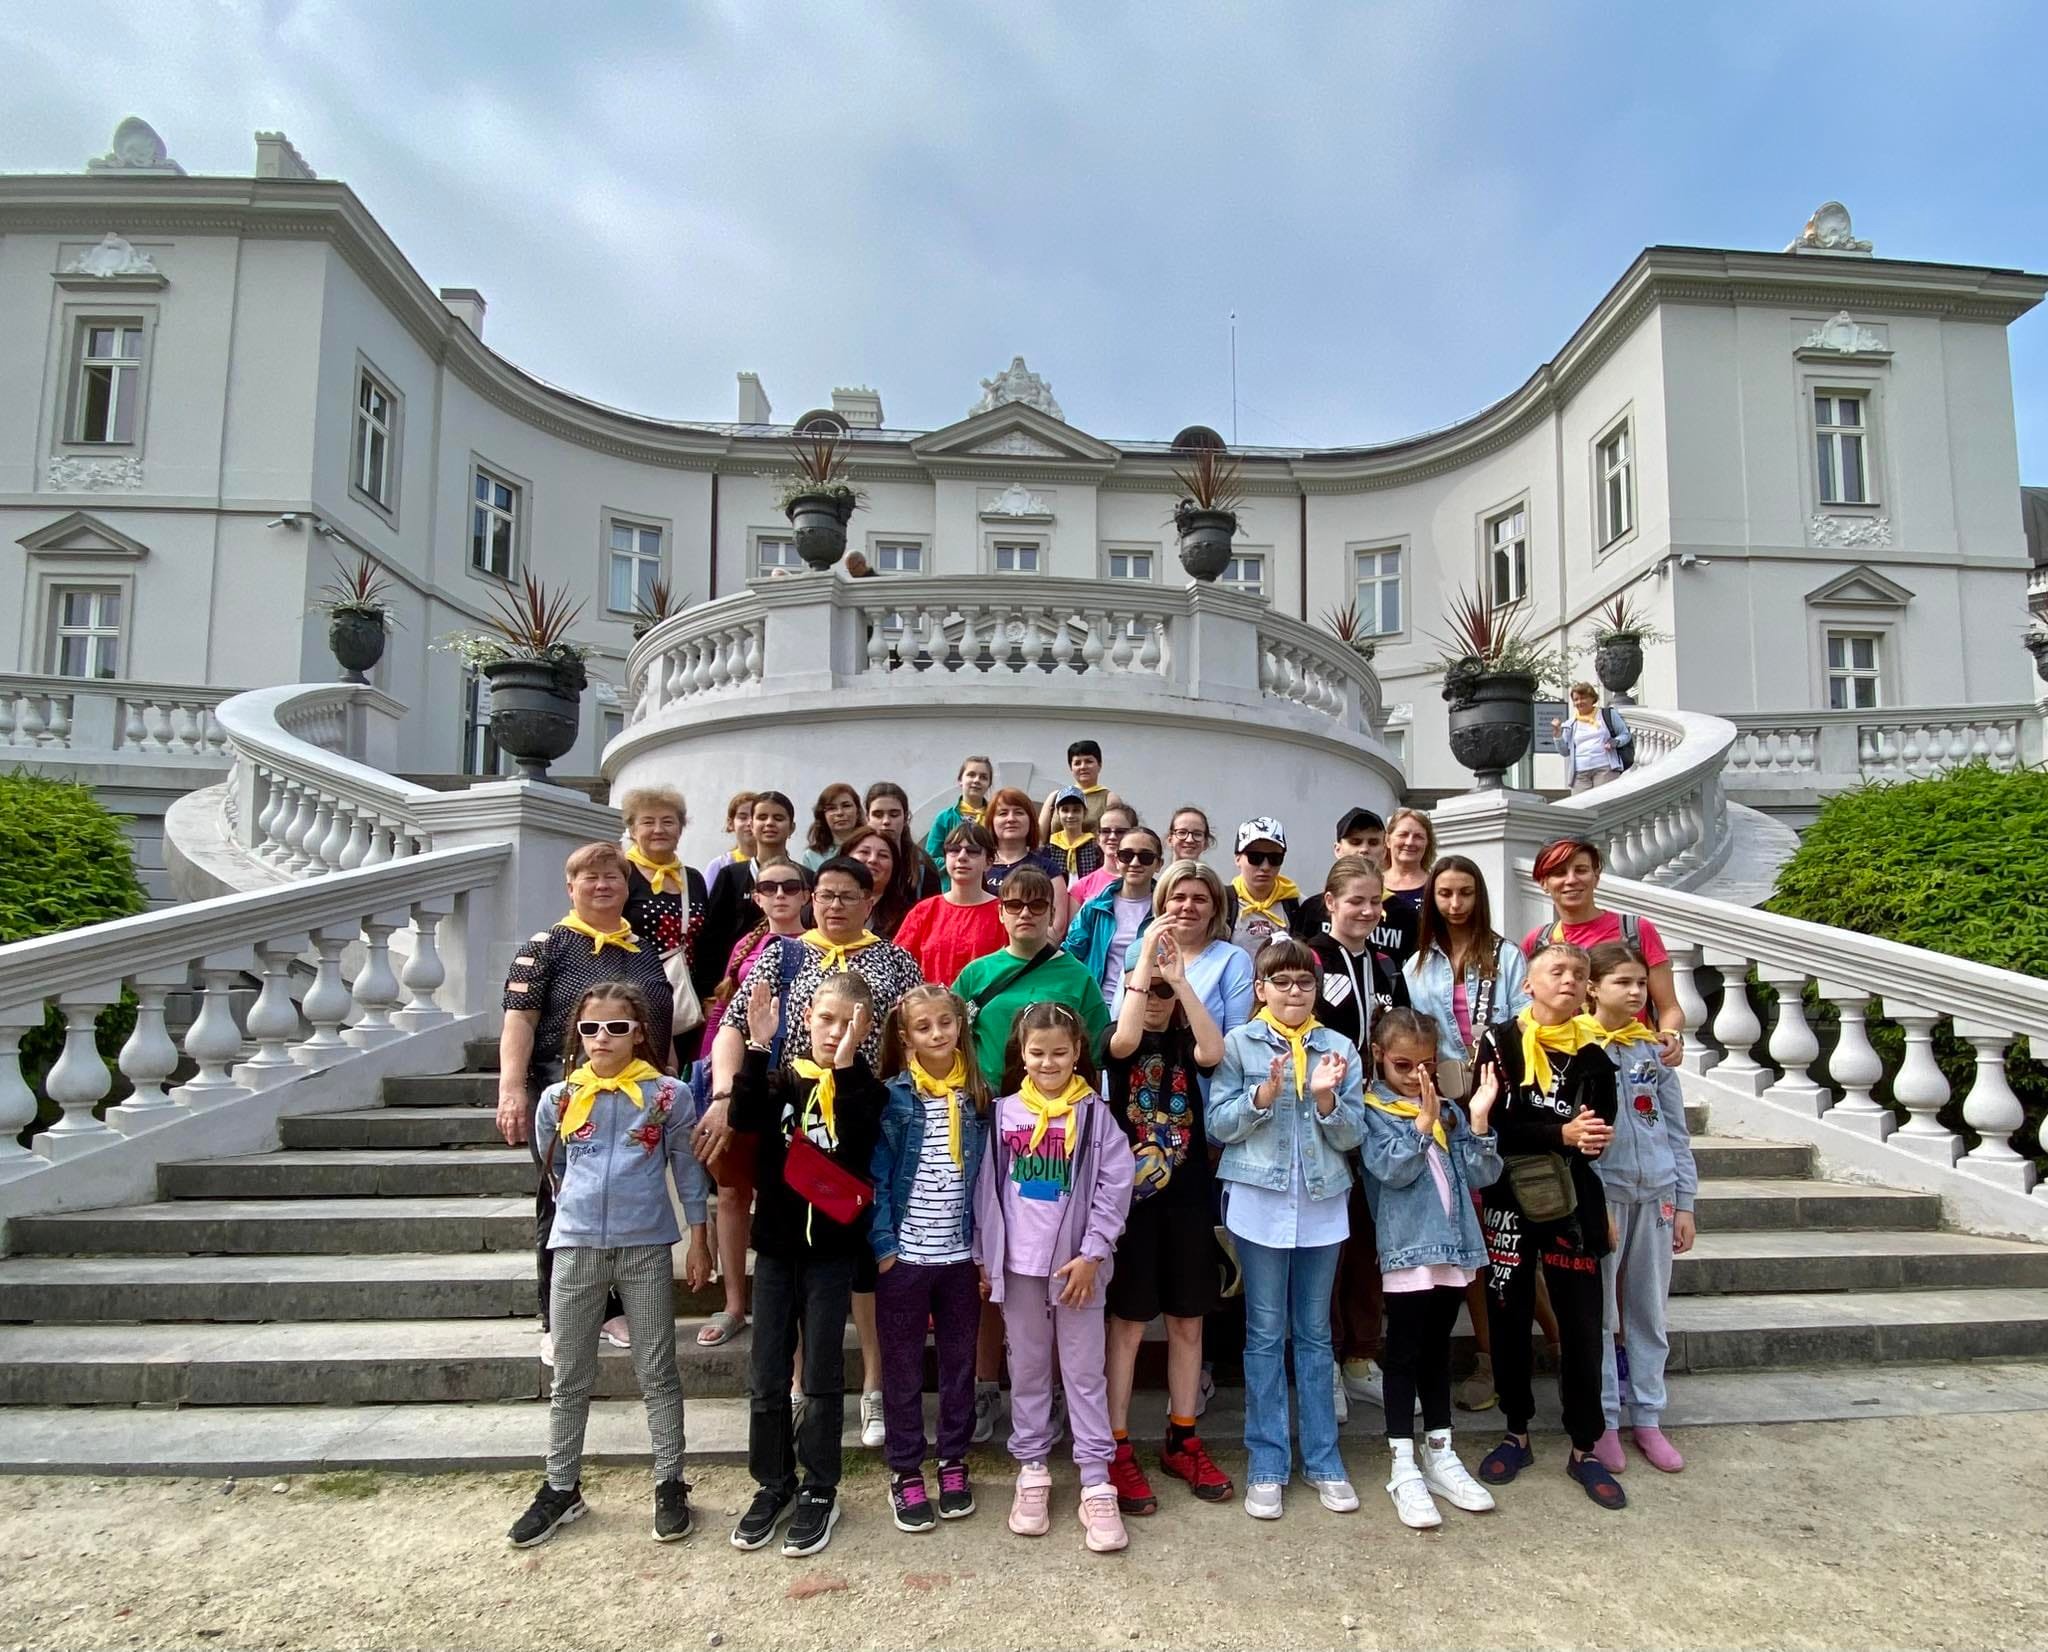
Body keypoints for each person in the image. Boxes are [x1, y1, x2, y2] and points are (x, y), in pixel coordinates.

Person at [699, 856, 925, 1444]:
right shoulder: (782, 953)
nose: (834, 905)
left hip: (865, 1115)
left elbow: (913, 1034)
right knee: (794, 1248)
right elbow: (736, 1024)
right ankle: (799, 1383)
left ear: (869, 902)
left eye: (848, 896)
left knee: (866, 1252)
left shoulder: (895, 959)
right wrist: (725, 1094)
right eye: (824, 894)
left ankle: (873, 1385)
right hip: (792, 1113)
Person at [508, 983, 714, 1548]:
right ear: (577, 1033)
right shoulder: (559, 1098)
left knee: (657, 1368)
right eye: (591, 1027)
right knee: (570, 1372)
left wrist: (699, 1237)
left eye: (617, 1027)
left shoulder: (668, 1095)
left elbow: (687, 1168)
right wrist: (576, 1208)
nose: (603, 1038)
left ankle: (670, 1479)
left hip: (645, 1244)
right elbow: (553, 1162)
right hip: (576, 1245)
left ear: (639, 1033)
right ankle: (561, 1485)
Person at [728, 969, 887, 1558]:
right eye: (825, 1019)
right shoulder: (781, 1081)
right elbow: (744, 1117)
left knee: (821, 1373)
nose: (834, 1031)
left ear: (865, 1030)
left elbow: (858, 1139)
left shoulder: (866, 1089)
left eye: (849, 1023)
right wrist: (756, 1045)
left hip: (832, 1254)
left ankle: (821, 1486)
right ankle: (773, 1482)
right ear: (807, 1019)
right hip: (776, 1248)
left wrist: (845, 1069)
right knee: (768, 1373)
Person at [498, 842, 676, 1363]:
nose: (602, 885)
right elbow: (519, 1019)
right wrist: (511, 1089)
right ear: (570, 886)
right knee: (563, 1200)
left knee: (625, 1197)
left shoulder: (644, 948)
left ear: (626, 885)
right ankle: (558, 1317)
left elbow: (658, 1020)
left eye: (612, 877)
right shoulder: (547, 946)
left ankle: (613, 1309)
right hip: (566, 1092)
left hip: (637, 1096)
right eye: (590, 877)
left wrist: (667, 1075)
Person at [1209, 937, 1367, 1521]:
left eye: (1304, 982)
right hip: (1259, 1202)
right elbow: (1219, 1124)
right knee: (1265, 1333)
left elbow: (1354, 1134)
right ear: (1261, 990)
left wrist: (1326, 1100)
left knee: (1317, 1334)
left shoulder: (1339, 1047)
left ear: (1316, 990)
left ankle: (1324, 1459)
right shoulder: (1238, 1043)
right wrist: (1261, 1097)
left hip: (1322, 1202)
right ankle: (1267, 1460)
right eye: (1281, 982)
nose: (1293, 991)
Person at [973, 1001, 1135, 1553]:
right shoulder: (1003, 1115)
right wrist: (985, 1257)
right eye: (1037, 1053)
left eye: (1059, 1053)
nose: (1048, 1063)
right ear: (1021, 1053)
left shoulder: (1094, 1115)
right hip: (1019, 1269)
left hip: (1077, 1271)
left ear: (1077, 1053)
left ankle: (1095, 1480)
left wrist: (1093, 1254)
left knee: (1084, 1373)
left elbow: (1115, 1186)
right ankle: (1033, 1469)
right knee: (1029, 1368)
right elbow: (987, 1190)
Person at [1473, 941, 1624, 1510]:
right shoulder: (1499, 1042)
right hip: (1508, 1196)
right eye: (1556, 971)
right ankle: (1517, 1431)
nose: (1568, 980)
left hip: (1573, 1200)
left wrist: (1580, 1137)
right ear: (1528, 984)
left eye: (1579, 974)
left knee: (1583, 1324)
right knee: (1508, 1315)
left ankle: (1585, 1445)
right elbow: (1490, 1123)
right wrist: (1558, 1133)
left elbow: (1598, 1131)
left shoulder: (1594, 1051)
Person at [1102, 924, 1232, 1515]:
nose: (1155, 998)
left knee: (1188, 1322)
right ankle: (1116, 1443)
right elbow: (1125, 1041)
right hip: (1131, 1208)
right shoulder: (1116, 1037)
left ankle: (1182, 1438)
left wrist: (1180, 982)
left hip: (1187, 1201)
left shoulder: (1187, 1038)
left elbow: (1214, 1053)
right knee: (1128, 1325)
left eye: (1163, 991)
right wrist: (1146, 964)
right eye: (1145, 987)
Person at [1358, 1007, 1502, 1530]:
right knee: (1403, 1354)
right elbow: (1390, 1170)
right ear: (1379, 1056)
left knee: (1438, 1351)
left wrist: (1478, 1119)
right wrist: (1422, 1125)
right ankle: (1403, 1463)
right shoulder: (1372, 1111)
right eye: (1403, 1066)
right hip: (1408, 1250)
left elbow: (1484, 1173)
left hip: (1455, 1248)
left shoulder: (1449, 1112)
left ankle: (1441, 1451)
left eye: (1426, 1066)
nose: (1416, 1077)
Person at [1401, 854, 1530, 1417]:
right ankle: (1487, 1357)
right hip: (1443, 1110)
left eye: (1466, 893)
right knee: (1470, 1234)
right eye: (1445, 894)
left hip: (1498, 1103)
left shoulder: (1506, 956)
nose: (1455, 904)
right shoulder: (1417, 964)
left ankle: (1556, 1349)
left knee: (1509, 1233)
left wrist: (1491, 1079)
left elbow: (1524, 1024)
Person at [871, 984, 990, 1531]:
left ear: (960, 1026)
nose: (937, 1034)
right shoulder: (894, 1097)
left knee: (959, 1363)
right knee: (902, 1366)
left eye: (945, 1022)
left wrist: (985, 1252)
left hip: (961, 1256)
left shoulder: (979, 1097)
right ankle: (905, 1469)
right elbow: (876, 1177)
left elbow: (989, 1182)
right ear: (906, 1036)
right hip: (906, 1258)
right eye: (924, 1027)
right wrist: (885, 1249)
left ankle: (953, 1460)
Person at [1585, 940, 1696, 1476]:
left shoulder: (1654, 1050)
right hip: (1606, 1195)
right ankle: (1605, 1419)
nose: (1635, 992)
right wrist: (1592, 1202)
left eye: (1639, 983)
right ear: (1592, 988)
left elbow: (1675, 1129)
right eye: (1622, 982)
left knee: (1648, 1310)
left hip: (1658, 1192)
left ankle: (1648, 1416)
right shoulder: (1577, 1047)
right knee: (1603, 1313)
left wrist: (1685, 1202)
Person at [1303, 854, 1408, 1420]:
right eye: (1356, 901)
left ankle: (1362, 1357)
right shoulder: (1311, 959)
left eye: (1375, 902)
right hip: (1326, 1115)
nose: (1367, 911)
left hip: (1382, 1118)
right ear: (1330, 902)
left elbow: (1403, 1035)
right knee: (1331, 1244)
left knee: (1370, 1239)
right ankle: (1325, 1358)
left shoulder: (1388, 965)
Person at [694, 855, 810, 1348]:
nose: (781, 894)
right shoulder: (750, 947)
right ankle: (735, 1303)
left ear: (806, 894)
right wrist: (719, 1090)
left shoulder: (819, 945)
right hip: (746, 1083)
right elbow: (727, 1021)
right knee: (733, 1191)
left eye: (791, 886)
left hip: (801, 1092)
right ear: (756, 896)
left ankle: (801, 1303)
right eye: (770, 887)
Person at [1523, 836, 1685, 1067]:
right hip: (1563, 1064)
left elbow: (1669, 1006)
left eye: (1581, 870)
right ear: (1543, 882)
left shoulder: (1635, 931)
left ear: (1596, 877)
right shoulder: (1538, 942)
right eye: (1559, 873)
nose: (1571, 880)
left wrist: (1670, 1036)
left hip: (1630, 1062)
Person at [954, 865, 1111, 1084]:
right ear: (1001, 913)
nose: (1025, 913)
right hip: (986, 1099)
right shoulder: (975, 973)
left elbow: (1095, 1059)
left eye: (1037, 905)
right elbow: (952, 1040)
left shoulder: (1079, 977)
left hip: (1057, 1102)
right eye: (1014, 905)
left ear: (1052, 915)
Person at [1123, 858, 1256, 1041]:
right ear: (1163, 904)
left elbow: (1236, 1038)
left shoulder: (1233, 959)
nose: (1188, 906)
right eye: (1178, 898)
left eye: (1199, 899)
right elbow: (1118, 1020)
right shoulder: (1140, 951)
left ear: (1215, 908)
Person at [619, 785, 708, 1055]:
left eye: (668, 822)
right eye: (648, 822)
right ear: (632, 830)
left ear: (680, 829)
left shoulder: (693, 878)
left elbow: (707, 940)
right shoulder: (621, 873)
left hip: (686, 997)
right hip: (635, 996)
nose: (658, 829)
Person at [700, 791, 799, 990]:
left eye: (778, 818)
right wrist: (710, 991)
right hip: (734, 983)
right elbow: (712, 938)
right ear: (752, 825)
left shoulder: (804, 877)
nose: (769, 823)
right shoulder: (730, 875)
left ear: (792, 828)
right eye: (762, 817)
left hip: (793, 982)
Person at [1063, 825, 1163, 1011]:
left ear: (1159, 864)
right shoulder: (1094, 907)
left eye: (1146, 857)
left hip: (1148, 1009)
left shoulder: (1166, 911)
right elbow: (1071, 955)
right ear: (1116, 860)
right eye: (1126, 855)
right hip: (1098, 1008)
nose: (1135, 862)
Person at [894, 822, 1005, 986]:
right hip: (930, 1001)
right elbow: (897, 966)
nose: (962, 857)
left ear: (989, 862)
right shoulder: (924, 911)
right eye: (954, 850)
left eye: (973, 851)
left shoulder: (1004, 913)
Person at [982, 786, 1070, 939]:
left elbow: (1057, 928)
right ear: (991, 821)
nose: (1011, 819)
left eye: (1019, 812)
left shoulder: (1048, 869)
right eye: (1003, 813)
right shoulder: (979, 867)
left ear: (1030, 821)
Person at [1290, 807, 1386, 940]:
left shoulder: (1402, 913)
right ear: (1337, 849)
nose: (1364, 849)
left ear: (1384, 850)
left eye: (1373, 842)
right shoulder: (1311, 909)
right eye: (1355, 842)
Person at [1225, 818, 1300, 955]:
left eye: (1275, 858)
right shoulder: (1223, 902)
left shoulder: (1296, 904)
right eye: (1255, 857)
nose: (1265, 867)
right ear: (1237, 858)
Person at [864, 781, 942, 901]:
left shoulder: (923, 866)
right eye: (878, 815)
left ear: (905, 818)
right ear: (867, 818)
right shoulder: (855, 860)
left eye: (894, 814)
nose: (886, 821)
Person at [839, 824, 919, 941]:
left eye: (883, 855)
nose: (873, 860)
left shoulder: (908, 916)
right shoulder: (824, 905)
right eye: (864, 852)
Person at [1376, 808, 1435, 964]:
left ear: (1427, 843)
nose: (1410, 842)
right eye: (1403, 835)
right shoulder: (1371, 884)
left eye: (1418, 837)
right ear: (1388, 840)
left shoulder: (1437, 886)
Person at [1554, 682, 1634, 792]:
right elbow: (1564, 752)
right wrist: (1557, 735)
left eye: (1583, 698)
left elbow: (1625, 734)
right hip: (1579, 773)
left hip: (1605, 768)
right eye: (1576, 699)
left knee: (1604, 801)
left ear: (1592, 698)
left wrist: (1615, 742)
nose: (1579, 702)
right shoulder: (1570, 724)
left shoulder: (1607, 715)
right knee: (1581, 802)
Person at [1037, 738, 1120, 838]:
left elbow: (1116, 836)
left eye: (1089, 761)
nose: (1083, 767)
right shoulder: (1055, 797)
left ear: (1100, 765)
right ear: (1071, 768)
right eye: (1077, 763)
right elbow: (1040, 837)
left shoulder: (1109, 798)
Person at [922, 756, 995, 861]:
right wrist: (959, 861)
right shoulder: (944, 818)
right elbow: (930, 860)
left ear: (989, 784)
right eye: (971, 775)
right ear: (960, 780)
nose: (976, 780)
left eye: (983, 777)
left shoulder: (996, 818)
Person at [1067, 802, 1138, 907]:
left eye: (1120, 831)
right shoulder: (1081, 887)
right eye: (1105, 831)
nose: (1112, 837)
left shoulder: (1144, 882)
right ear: (1098, 838)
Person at [1046, 784, 1105, 883]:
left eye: (1076, 810)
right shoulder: (1050, 848)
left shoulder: (1095, 847)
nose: (1070, 815)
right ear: (1058, 813)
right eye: (1065, 810)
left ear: (1084, 813)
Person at [704, 790, 758, 899]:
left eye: (756, 817)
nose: (749, 823)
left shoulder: (777, 865)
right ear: (730, 823)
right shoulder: (719, 866)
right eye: (743, 817)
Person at [805, 782, 864, 872]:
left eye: (846, 806)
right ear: (823, 816)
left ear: (858, 811)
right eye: (832, 808)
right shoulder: (811, 856)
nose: (840, 813)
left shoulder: (871, 849)